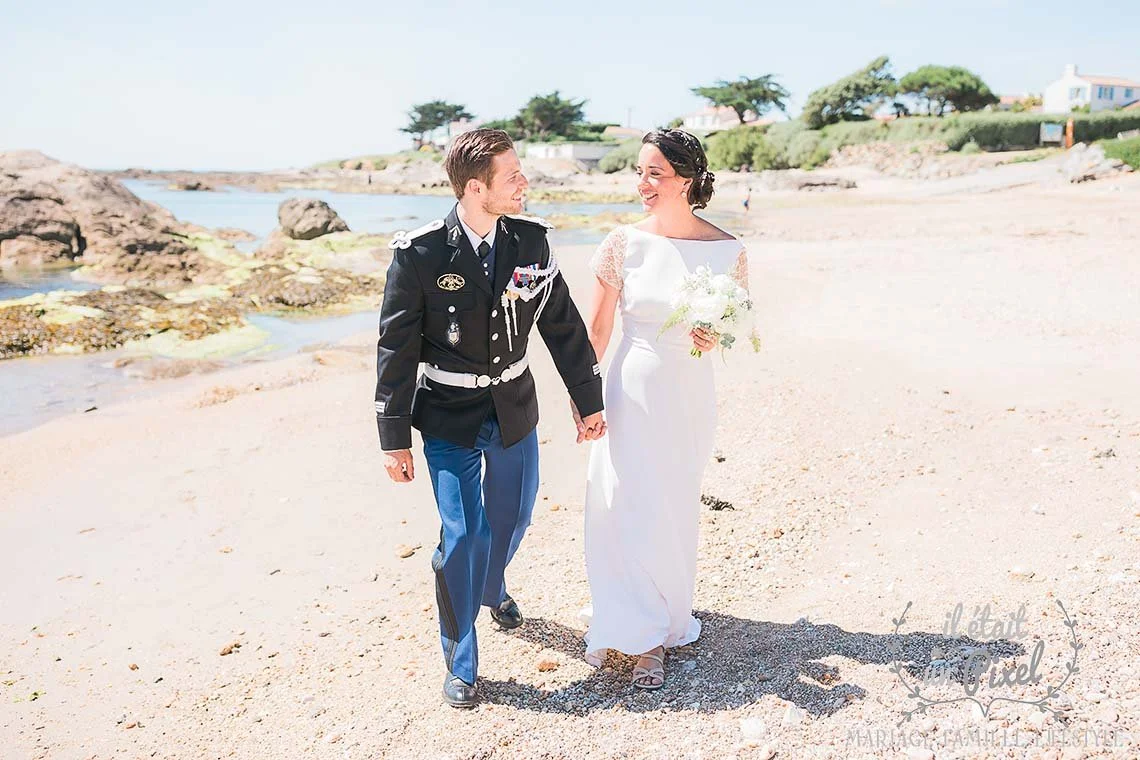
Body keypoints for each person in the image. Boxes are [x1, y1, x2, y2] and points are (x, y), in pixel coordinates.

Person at [374, 129, 607, 708]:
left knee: (514, 517)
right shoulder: (420, 253)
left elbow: (563, 326)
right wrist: (392, 437)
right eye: (513, 176)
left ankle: (489, 585)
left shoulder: (531, 243)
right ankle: (462, 660)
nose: (525, 183)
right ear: (477, 188)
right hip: (448, 414)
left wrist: (588, 398)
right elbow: (395, 348)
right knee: (463, 533)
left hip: (513, 406)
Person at [581, 129, 752, 689]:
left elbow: (732, 328)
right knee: (620, 500)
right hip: (627, 389)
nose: (642, 184)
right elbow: (599, 328)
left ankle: (664, 620)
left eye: (654, 172)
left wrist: (712, 335)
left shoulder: (729, 250)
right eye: (639, 172)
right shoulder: (622, 243)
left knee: (671, 504)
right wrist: (583, 398)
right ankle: (630, 625)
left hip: (687, 397)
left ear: (686, 177)